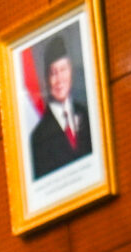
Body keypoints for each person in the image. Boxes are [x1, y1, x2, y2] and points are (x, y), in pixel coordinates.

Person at [26, 40, 93, 180]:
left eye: (63, 70)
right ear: (46, 79)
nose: (59, 79)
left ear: (71, 71)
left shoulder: (88, 115)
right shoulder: (38, 138)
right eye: (53, 73)